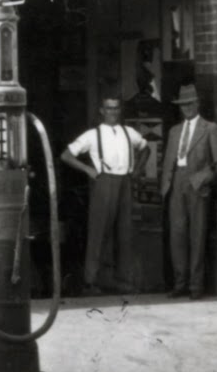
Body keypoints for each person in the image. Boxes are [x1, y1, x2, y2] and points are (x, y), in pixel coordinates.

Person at [60, 96, 151, 295]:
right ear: (102, 111)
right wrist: (88, 169)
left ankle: (123, 280)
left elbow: (146, 149)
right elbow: (66, 155)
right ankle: (91, 281)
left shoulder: (129, 132)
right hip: (104, 181)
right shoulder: (92, 135)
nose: (113, 112)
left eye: (116, 108)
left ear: (120, 110)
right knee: (99, 230)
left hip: (125, 181)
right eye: (109, 108)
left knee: (125, 232)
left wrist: (137, 171)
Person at [158, 85, 217, 299]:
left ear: (197, 104)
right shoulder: (174, 131)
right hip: (175, 184)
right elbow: (167, 162)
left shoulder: (210, 128)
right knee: (177, 235)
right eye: (182, 105)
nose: (186, 108)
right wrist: (166, 185)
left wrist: (200, 179)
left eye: (189, 103)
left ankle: (196, 286)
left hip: (197, 185)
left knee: (197, 235)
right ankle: (180, 283)